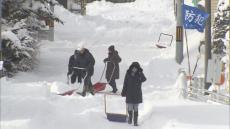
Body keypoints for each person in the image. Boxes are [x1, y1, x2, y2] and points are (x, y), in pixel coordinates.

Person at [121, 62, 146, 126]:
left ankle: (135, 121)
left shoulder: (139, 74)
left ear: (138, 68)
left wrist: (140, 72)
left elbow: (144, 79)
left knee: (135, 108)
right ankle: (130, 118)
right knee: (130, 107)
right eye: (133, 67)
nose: (134, 69)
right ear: (131, 67)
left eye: (136, 68)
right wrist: (124, 91)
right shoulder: (128, 73)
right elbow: (125, 83)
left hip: (137, 94)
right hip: (129, 93)